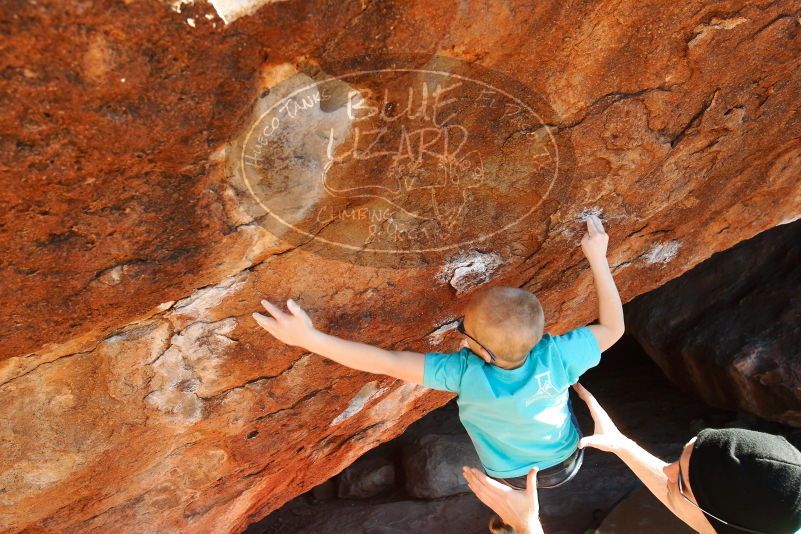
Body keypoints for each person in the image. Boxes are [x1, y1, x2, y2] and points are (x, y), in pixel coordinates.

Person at [252, 214, 623, 498]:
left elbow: (387, 362)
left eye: (464, 331)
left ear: (482, 351)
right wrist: (598, 258)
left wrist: (309, 338)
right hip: (564, 463)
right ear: (540, 334)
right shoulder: (558, 354)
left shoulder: (463, 373)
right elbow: (613, 329)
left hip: (507, 474)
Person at [464, 383, 801, 534]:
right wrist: (622, 445)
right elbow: (697, 509)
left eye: (681, 479)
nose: (665, 468)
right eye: (681, 456)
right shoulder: (777, 516)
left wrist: (526, 526)